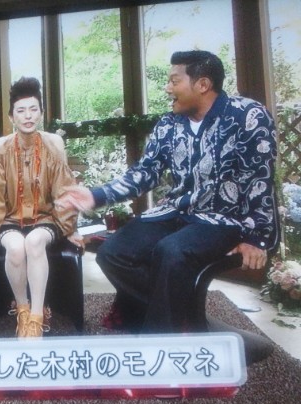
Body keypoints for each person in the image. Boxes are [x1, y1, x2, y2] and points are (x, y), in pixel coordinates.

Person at [56, 50, 279, 334]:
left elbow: (260, 179)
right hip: (176, 210)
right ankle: (180, 314)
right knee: (112, 252)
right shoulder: (168, 124)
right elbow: (145, 172)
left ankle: (160, 339)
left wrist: (256, 237)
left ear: (203, 84)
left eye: (174, 81)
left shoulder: (248, 116)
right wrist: (95, 196)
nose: (167, 88)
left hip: (224, 217)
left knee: (170, 251)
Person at [0, 77, 79, 338]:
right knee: (16, 246)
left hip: (46, 218)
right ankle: (22, 309)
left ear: (41, 113)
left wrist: (70, 228)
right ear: (12, 117)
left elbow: (64, 188)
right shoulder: (0, 147)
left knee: (33, 241)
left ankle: (36, 317)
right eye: (21, 111)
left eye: (33, 109)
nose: (28, 116)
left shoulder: (54, 143)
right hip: (9, 220)